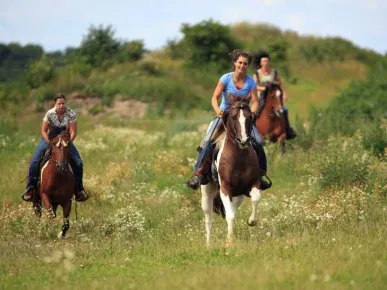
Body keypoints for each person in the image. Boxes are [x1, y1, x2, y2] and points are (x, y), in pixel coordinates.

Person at [187, 49, 271, 191]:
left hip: (242, 117)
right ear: (234, 63)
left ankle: (261, 174)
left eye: (245, 64)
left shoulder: (250, 82)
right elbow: (214, 97)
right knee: (208, 141)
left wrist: (252, 113)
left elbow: (255, 101)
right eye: (240, 63)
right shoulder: (225, 78)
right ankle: (198, 173)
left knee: (258, 141)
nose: (242, 66)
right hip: (224, 115)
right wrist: (218, 110)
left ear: (247, 66)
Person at [22, 93, 89, 202]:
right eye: (59, 103)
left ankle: (79, 190)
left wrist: (67, 143)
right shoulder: (50, 114)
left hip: (65, 139)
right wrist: (49, 142)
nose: (62, 105)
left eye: (63, 103)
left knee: (78, 162)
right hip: (50, 138)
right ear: (55, 104)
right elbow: (43, 131)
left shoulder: (71, 113)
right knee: (34, 162)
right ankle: (30, 188)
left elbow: (73, 132)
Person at [253, 50, 297, 139]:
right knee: (256, 110)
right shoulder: (257, 73)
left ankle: (288, 129)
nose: (266, 62)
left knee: (284, 109)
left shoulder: (274, 72)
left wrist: (284, 93)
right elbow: (255, 86)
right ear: (260, 63)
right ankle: (252, 130)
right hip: (262, 95)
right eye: (264, 61)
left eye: (267, 61)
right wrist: (263, 88)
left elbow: (280, 83)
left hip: (274, 95)